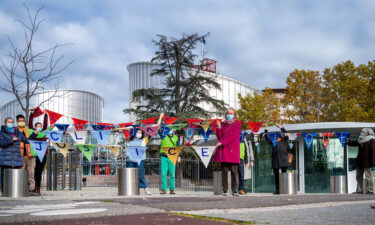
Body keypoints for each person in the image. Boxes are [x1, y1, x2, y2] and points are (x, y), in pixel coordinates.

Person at [125, 113, 164, 195]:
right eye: (137, 132)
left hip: (139, 160)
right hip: (130, 160)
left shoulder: (144, 140)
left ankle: (145, 188)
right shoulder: (129, 140)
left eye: (140, 132)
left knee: (141, 175)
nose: (138, 133)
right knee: (128, 175)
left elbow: (156, 128)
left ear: (142, 134)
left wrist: (160, 117)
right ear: (135, 133)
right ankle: (128, 189)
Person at [213, 107, 242, 196]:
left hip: (233, 150)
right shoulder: (223, 124)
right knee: (224, 171)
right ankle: (225, 190)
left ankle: (234, 190)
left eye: (231, 113)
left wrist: (222, 142)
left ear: (234, 114)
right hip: (224, 150)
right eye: (228, 113)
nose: (229, 115)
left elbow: (233, 137)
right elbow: (220, 137)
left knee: (233, 171)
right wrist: (218, 128)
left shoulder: (237, 124)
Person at [28, 110, 53, 196]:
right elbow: (30, 124)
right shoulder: (32, 132)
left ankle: (37, 188)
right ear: (35, 127)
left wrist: (46, 115)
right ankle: (33, 187)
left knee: (40, 171)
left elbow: (46, 125)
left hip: (43, 154)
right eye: (37, 126)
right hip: (35, 154)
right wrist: (31, 114)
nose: (39, 127)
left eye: (40, 126)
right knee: (34, 171)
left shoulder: (44, 133)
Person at [263, 123, 292, 195]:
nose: (277, 137)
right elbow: (267, 137)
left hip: (283, 160)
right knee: (277, 177)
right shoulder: (273, 142)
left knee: (284, 175)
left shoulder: (284, 141)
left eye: (278, 136)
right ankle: (278, 190)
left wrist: (280, 127)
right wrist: (266, 129)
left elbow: (286, 133)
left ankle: (285, 189)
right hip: (275, 161)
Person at [16, 114, 39, 196]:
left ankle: (31, 189)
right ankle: (19, 189)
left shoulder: (29, 130)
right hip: (20, 155)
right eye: (19, 121)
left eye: (23, 121)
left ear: (25, 121)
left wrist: (36, 133)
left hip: (30, 154)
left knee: (31, 172)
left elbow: (41, 134)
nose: (21, 122)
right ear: (17, 121)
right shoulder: (14, 131)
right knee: (20, 172)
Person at [0, 117, 24, 195]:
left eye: (12, 122)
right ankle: (4, 191)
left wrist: (34, 134)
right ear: (5, 123)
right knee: (4, 176)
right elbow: (2, 143)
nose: (11, 123)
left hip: (16, 158)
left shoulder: (18, 132)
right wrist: (11, 140)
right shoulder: (2, 132)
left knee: (14, 176)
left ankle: (13, 192)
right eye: (9, 122)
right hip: (5, 158)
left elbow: (26, 140)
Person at [347, 128, 375, 194]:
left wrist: (373, 162)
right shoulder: (361, 140)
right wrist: (348, 141)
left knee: (369, 177)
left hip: (368, 162)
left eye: (363, 132)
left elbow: (373, 152)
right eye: (362, 132)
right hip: (359, 162)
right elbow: (353, 143)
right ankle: (359, 190)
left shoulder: (372, 140)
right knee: (358, 177)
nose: (362, 133)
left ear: (368, 133)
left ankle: (370, 191)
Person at [160, 122, 180, 194]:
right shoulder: (163, 135)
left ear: (174, 129)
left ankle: (172, 189)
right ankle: (163, 189)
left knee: (172, 174)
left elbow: (178, 147)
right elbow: (159, 127)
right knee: (163, 174)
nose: (170, 130)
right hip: (164, 157)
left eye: (172, 128)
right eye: (169, 128)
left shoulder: (176, 137)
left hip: (173, 157)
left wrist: (179, 156)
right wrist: (161, 118)